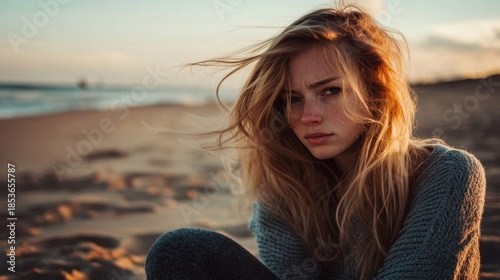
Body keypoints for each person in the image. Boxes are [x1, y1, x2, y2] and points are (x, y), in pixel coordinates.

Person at [146, 3, 486, 279]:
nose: (308, 116)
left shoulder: (449, 173)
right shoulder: (284, 185)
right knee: (181, 249)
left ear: (375, 91)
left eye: (329, 91)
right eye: (293, 98)